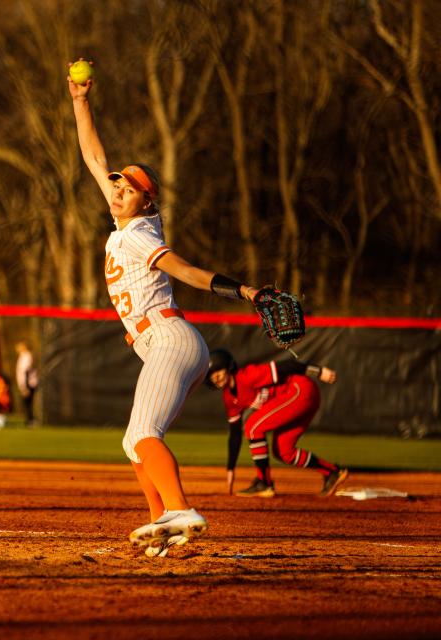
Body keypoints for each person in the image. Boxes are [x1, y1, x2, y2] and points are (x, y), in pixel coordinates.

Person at [69, 59, 264, 558]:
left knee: (141, 433)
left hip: (170, 339)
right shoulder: (124, 224)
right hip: (166, 344)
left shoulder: (139, 234)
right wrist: (80, 100)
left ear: (146, 202)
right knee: (134, 442)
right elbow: (93, 157)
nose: (117, 189)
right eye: (117, 184)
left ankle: (179, 508)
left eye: (128, 188)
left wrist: (242, 291)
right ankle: (163, 524)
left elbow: (187, 271)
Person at [205, 349, 350, 498]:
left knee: (253, 427)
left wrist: (318, 371)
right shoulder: (229, 398)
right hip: (296, 400)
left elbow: (286, 365)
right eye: (210, 375)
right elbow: (235, 433)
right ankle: (332, 472)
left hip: (300, 389)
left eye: (218, 370)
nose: (215, 377)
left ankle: (264, 482)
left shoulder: (247, 376)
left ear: (228, 367)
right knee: (283, 451)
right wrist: (230, 469)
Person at [14, 341, 39, 426]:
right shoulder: (24, 356)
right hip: (28, 382)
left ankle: (31, 420)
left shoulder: (26, 356)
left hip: (28, 383)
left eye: (19, 346)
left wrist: (24, 386)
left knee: (28, 402)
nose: (17, 348)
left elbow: (24, 372)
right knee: (27, 403)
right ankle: (30, 420)